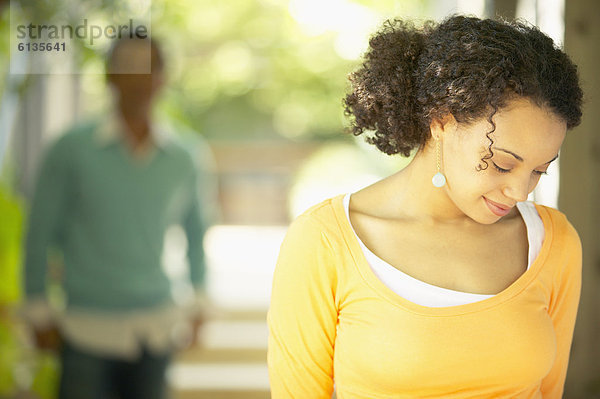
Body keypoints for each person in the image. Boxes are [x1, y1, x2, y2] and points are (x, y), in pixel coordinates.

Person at [267, 15, 583, 398]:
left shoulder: (554, 242)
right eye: (501, 163)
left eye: (539, 171)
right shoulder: (324, 240)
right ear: (441, 120)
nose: (520, 192)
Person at [22, 36, 216, 399]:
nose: (138, 80)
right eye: (129, 68)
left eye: (149, 69)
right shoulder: (70, 150)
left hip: (156, 330)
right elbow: (39, 233)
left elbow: (196, 233)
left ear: (162, 78)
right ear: (110, 76)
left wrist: (200, 301)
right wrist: (37, 308)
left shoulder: (185, 156)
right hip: (85, 329)